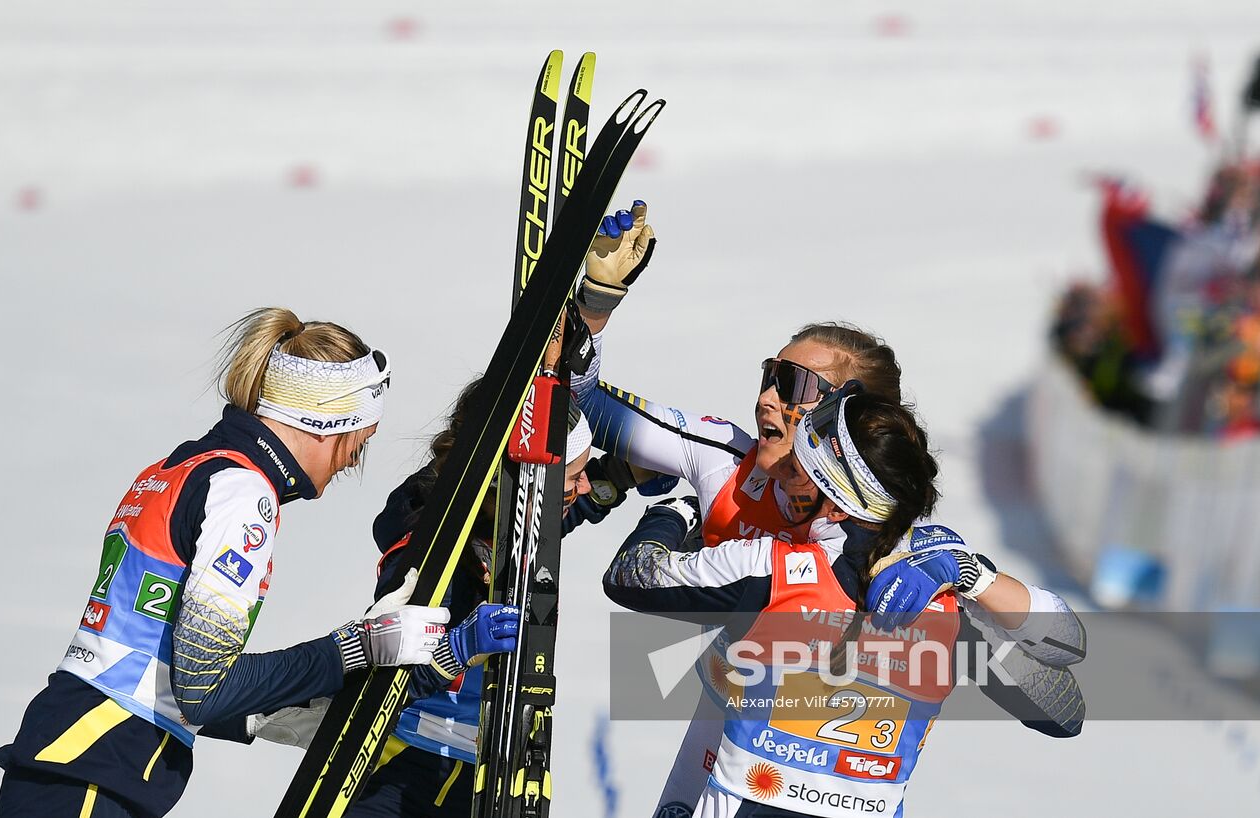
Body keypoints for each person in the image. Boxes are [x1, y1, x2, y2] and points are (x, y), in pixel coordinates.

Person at [574, 204, 1086, 816]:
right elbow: (583, 404)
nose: (766, 396)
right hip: (733, 719)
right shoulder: (722, 458)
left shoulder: (902, 556)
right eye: (769, 373)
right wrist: (593, 310)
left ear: (846, 412)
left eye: (790, 384)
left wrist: (965, 574)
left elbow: (1061, 688)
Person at [0, 308, 519, 818]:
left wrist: (355, 683)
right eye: (357, 444)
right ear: (325, 422)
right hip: (95, 772)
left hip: (84, 759)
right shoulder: (244, 494)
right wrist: (359, 648)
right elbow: (203, 689)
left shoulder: (183, 467)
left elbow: (151, 664)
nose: (352, 463)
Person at [603, 387, 1084, 818]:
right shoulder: (938, 602)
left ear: (835, 500)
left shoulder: (772, 569)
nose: (786, 480)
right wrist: (974, 577)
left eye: (802, 471)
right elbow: (1065, 709)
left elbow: (628, 577)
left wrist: (675, 511)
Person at [248, 377, 663, 817]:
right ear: (523, 478)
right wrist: (459, 647)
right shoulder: (430, 552)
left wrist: (620, 476)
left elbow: (543, 525)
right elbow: (383, 669)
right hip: (398, 768)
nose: (580, 488)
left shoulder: (499, 519)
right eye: (574, 477)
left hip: (480, 774)